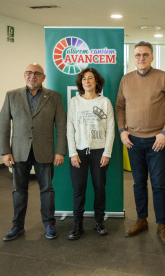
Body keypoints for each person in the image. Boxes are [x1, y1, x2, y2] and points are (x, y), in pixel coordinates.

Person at [115, 41, 165, 245]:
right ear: (133, 58)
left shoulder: (163, 77)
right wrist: (122, 131)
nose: (141, 58)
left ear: (152, 57)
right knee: (138, 184)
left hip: (156, 142)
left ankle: (162, 225)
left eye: (145, 55)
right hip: (133, 142)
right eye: (137, 55)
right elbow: (119, 107)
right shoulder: (126, 80)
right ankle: (142, 220)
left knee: (158, 185)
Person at [0, 63, 67, 241]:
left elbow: (61, 126)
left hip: (45, 151)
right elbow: (3, 125)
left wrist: (60, 151)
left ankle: (49, 224)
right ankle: (17, 226)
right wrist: (6, 151)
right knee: (19, 191)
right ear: (24, 75)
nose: (32, 76)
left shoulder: (54, 97)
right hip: (19, 151)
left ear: (43, 77)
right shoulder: (12, 95)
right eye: (29, 73)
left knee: (47, 190)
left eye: (37, 73)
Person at [66, 68, 115, 240]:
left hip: (99, 152)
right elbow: (69, 128)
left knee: (99, 188)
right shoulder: (75, 102)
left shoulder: (105, 102)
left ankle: (99, 222)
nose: (87, 81)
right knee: (79, 189)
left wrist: (107, 153)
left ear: (96, 82)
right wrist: (72, 153)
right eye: (84, 79)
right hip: (78, 152)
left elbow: (111, 130)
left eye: (90, 78)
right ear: (81, 83)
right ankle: (77, 225)